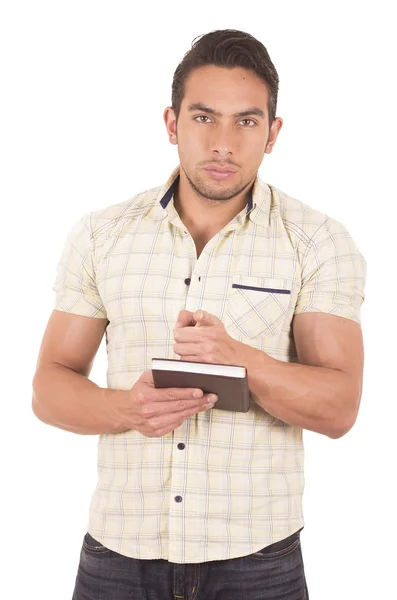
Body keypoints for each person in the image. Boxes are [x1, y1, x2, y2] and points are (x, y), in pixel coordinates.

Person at [32, 29, 366, 600]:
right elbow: (48, 389)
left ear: (273, 133)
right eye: (204, 117)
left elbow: (339, 409)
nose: (223, 143)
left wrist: (243, 360)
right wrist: (126, 408)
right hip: (119, 558)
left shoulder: (316, 242)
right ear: (171, 123)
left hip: (258, 565)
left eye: (247, 121)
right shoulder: (101, 235)